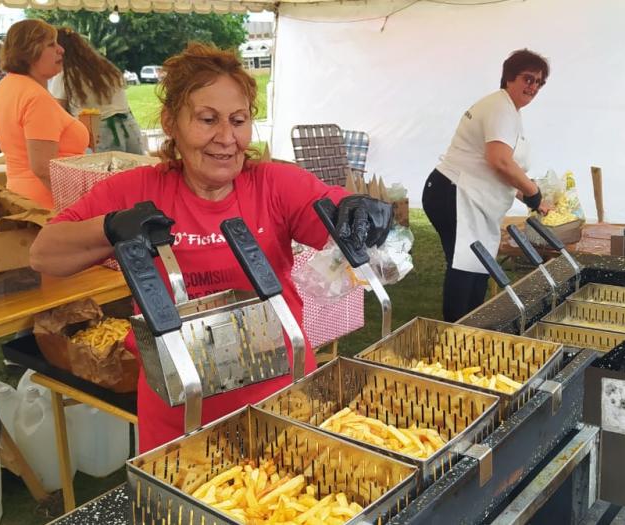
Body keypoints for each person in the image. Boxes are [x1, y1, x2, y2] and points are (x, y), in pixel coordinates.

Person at [29, 42, 392, 452]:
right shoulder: (136, 190)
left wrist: (358, 209)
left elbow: (334, 212)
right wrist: (112, 227)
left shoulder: (275, 185)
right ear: (171, 122)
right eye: (207, 119)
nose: (226, 138)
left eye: (238, 121)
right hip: (179, 407)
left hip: (280, 398)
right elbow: (44, 254)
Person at [423, 49, 552, 323]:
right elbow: (500, 161)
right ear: (509, 78)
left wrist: (532, 200)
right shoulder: (500, 108)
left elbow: (500, 166)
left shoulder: (508, 110)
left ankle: (472, 326)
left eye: (539, 82)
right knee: (465, 266)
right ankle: (457, 334)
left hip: (467, 195)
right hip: (454, 191)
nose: (533, 87)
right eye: (528, 79)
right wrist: (533, 191)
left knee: (478, 266)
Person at [0, 19, 89, 209]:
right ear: (30, 51)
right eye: (51, 44)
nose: (61, 49)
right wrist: (78, 209)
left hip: (20, 195)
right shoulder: (36, 97)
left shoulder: (7, 86)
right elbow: (43, 168)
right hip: (47, 204)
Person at [49, 28, 144, 154]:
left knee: (103, 173)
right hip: (129, 126)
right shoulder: (106, 67)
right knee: (134, 172)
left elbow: (58, 112)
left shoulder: (66, 74)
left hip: (98, 131)